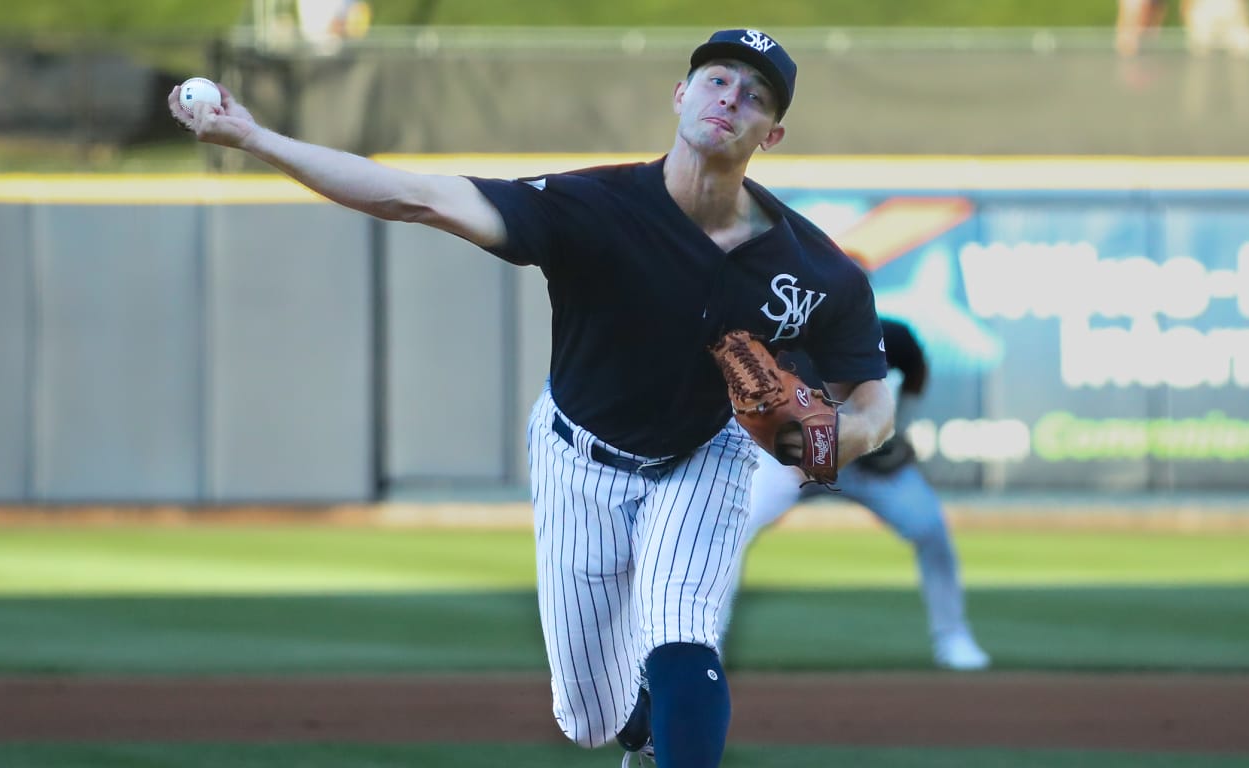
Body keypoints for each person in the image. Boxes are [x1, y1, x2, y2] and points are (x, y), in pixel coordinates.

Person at [168, 28, 895, 768]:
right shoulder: (592, 205)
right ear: (680, 96)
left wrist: (841, 435)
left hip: (705, 454)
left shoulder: (817, 271)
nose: (731, 97)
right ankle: (640, 728)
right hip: (578, 453)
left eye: (755, 94)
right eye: (717, 80)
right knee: (587, 715)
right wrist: (256, 138)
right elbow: (415, 198)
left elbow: (870, 393)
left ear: (770, 134)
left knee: (683, 627)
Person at [718, 317, 990, 671]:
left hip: (863, 460)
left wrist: (903, 426)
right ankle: (708, 643)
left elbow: (916, 370)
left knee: (930, 526)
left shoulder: (887, 335)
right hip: (785, 461)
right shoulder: (781, 336)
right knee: (727, 532)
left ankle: (953, 638)